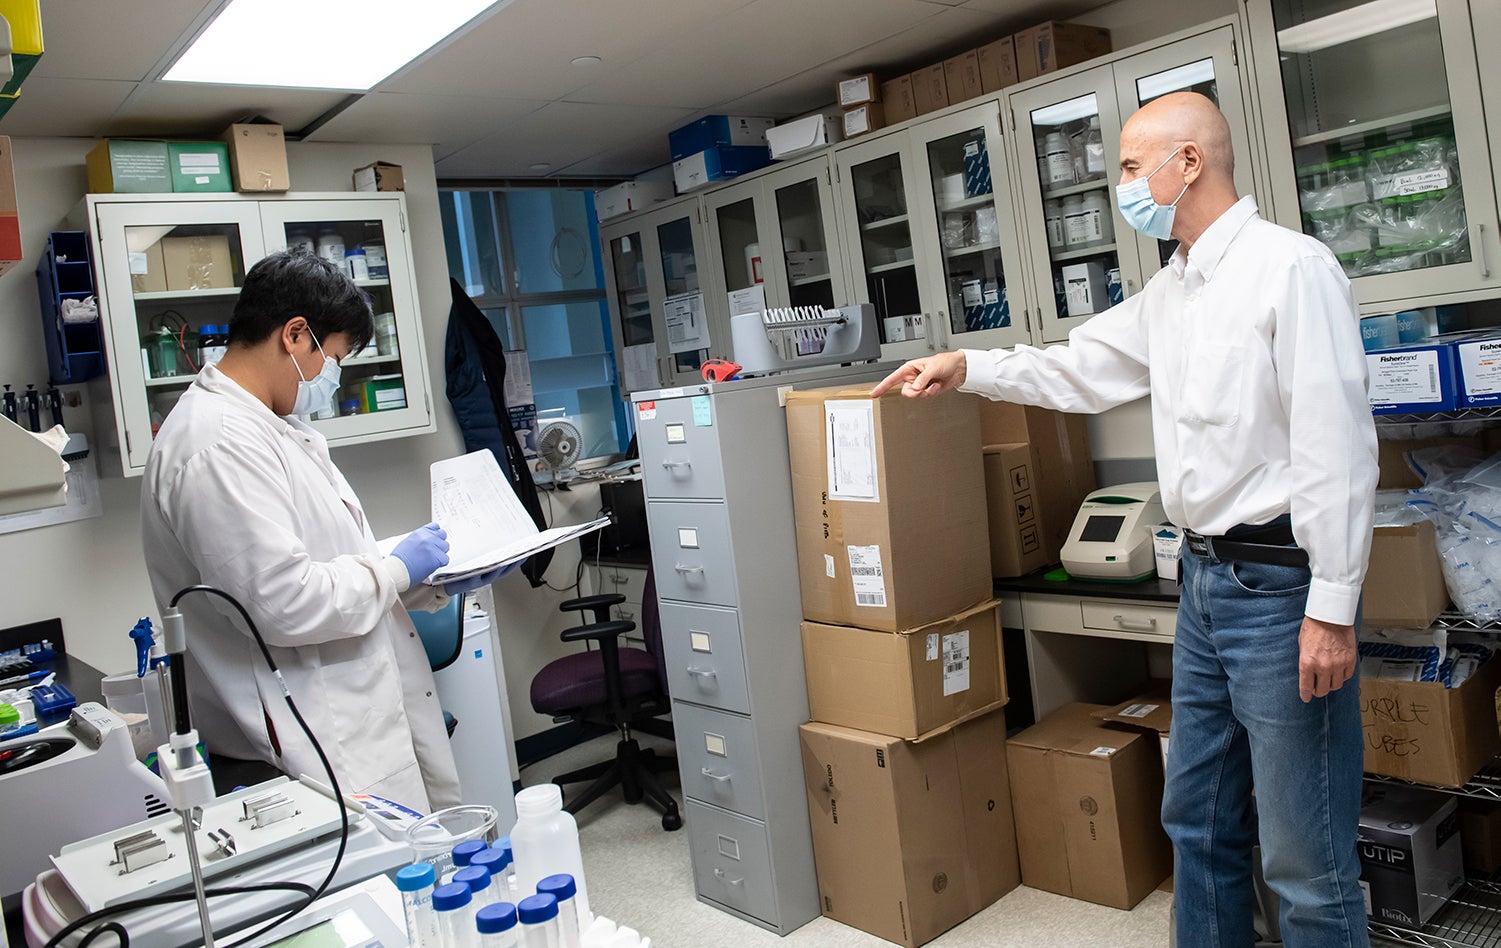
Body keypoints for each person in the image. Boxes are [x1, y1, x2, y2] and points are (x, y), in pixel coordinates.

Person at [872, 92, 1377, 947]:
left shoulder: (1287, 269)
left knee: (1304, 859)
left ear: (1190, 163)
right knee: (1195, 823)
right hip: (1204, 586)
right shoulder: (1173, 290)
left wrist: (1331, 607)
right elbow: (1079, 369)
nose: (1122, 185)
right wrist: (967, 364)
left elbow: (1336, 447)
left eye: (1133, 166)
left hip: (1280, 587)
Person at [142, 249, 506, 811]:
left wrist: (430, 578)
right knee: (378, 884)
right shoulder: (216, 444)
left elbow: (327, 562)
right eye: (333, 359)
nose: (330, 380)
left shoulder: (272, 427)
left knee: (419, 864)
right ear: (294, 335)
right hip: (310, 735)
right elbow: (285, 602)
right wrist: (394, 567)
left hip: (344, 712)